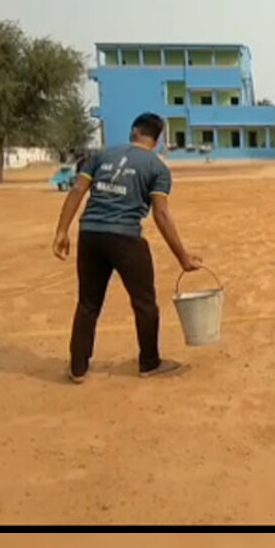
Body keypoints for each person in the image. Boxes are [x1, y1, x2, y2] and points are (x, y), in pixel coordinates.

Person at [52, 112, 201, 384]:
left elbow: (76, 190)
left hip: (90, 235)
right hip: (126, 238)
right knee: (144, 303)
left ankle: (77, 367)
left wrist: (62, 230)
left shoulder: (101, 157)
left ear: (134, 132)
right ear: (156, 141)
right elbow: (161, 215)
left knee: (88, 303)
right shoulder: (157, 168)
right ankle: (149, 362)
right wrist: (183, 257)